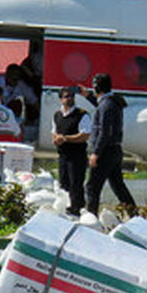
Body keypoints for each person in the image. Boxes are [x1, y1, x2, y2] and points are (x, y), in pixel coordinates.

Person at [84, 72, 137, 216]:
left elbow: (104, 132)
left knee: (92, 186)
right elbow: (102, 106)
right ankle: (134, 215)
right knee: (118, 186)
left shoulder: (106, 105)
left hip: (105, 151)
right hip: (114, 150)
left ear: (96, 88)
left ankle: (91, 216)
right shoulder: (112, 102)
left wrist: (96, 153)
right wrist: (87, 96)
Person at [52, 85, 91, 217]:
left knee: (76, 183)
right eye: (66, 97)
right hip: (63, 155)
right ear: (60, 99)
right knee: (64, 182)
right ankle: (66, 209)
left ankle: (77, 209)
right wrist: (57, 139)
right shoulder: (57, 115)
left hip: (77, 155)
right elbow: (54, 132)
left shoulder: (81, 114)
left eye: (72, 96)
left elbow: (84, 135)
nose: (70, 99)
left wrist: (66, 139)